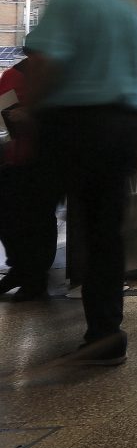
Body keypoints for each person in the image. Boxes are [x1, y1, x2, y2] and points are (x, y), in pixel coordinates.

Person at [18, 0, 137, 364]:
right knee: (104, 233)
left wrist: (31, 110)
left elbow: (47, 62)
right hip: (122, 128)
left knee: (23, 202)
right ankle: (105, 331)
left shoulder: (71, 1)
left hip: (73, 124)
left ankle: (33, 283)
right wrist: (134, 146)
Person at [0, 57, 58, 301]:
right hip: (12, 158)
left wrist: (33, 117)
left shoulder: (57, 76)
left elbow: (65, 117)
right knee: (10, 217)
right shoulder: (14, 74)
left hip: (42, 161)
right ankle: (21, 270)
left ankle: (34, 278)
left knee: (37, 219)